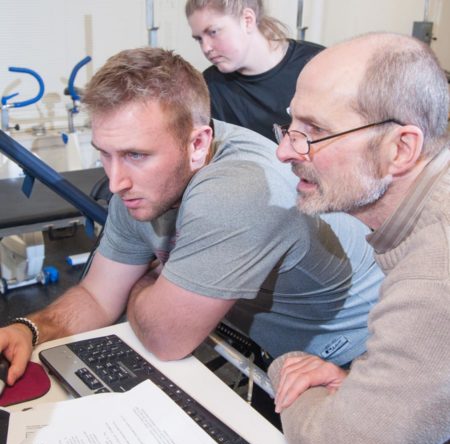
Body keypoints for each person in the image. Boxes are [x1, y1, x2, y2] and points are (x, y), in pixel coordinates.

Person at [0, 47, 383, 390]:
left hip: (355, 353)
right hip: (263, 344)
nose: (115, 181)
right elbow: (97, 296)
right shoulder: (139, 187)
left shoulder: (242, 189)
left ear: (198, 144)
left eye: (136, 155)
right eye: (105, 153)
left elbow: (166, 338)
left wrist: (148, 280)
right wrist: (30, 329)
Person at [269, 32, 450, 444]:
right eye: (291, 124)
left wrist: (287, 366)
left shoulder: (435, 275)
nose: (284, 152)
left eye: (314, 130)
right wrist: (362, 386)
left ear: (400, 149)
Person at [185, 0, 323, 141]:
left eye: (213, 32)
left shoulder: (317, 64)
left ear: (247, 20)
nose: (206, 48)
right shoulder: (209, 87)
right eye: (199, 39)